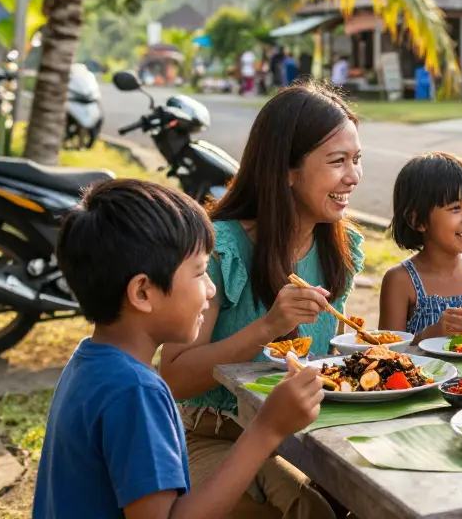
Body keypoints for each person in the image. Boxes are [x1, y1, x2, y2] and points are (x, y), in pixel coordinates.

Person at [33, 179, 323, 519]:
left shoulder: (91, 362)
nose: (211, 289)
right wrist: (267, 428)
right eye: (200, 273)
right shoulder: (135, 392)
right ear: (142, 292)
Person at [160, 82, 365, 519]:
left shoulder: (338, 250)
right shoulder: (220, 249)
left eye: (356, 159)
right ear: (286, 169)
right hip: (211, 434)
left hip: (302, 437)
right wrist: (267, 327)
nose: (353, 176)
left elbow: (330, 364)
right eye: (337, 161)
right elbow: (173, 377)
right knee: (309, 511)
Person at [379, 152, 462, 340]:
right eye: (455, 208)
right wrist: (431, 334)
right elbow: (385, 352)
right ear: (417, 220)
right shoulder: (400, 281)